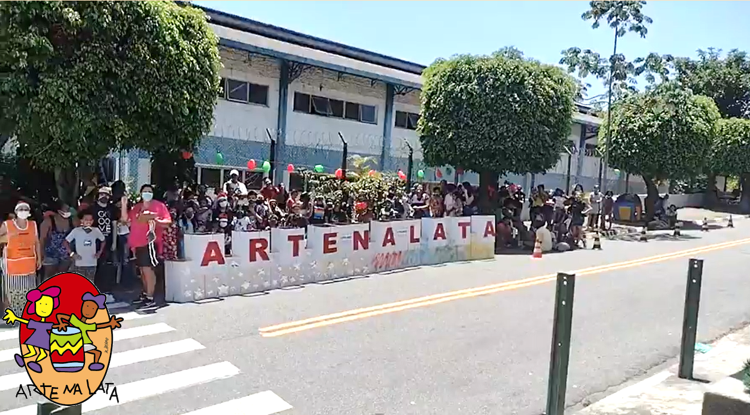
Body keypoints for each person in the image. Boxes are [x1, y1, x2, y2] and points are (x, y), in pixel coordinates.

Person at [3, 286, 66, 373]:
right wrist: (16, 318)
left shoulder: (47, 323)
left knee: (42, 352)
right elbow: (27, 322)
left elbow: (53, 326)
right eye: (40, 304)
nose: (43, 307)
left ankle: (36, 363)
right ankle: (24, 359)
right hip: (35, 336)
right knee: (31, 348)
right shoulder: (37, 322)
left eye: (46, 304)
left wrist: (60, 326)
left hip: (43, 338)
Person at [127, 184, 171, 308]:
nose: (147, 193)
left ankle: (150, 297)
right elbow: (128, 220)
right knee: (142, 270)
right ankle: (145, 293)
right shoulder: (137, 207)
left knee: (148, 269)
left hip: (150, 242)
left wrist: (155, 220)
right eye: (145, 191)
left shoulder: (159, 206)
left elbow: (167, 222)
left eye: (149, 191)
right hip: (137, 243)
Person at [54, 292, 123, 371]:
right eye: (87, 306)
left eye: (93, 309)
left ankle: (94, 364)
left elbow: (98, 326)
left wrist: (109, 324)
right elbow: (60, 316)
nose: (89, 310)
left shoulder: (85, 324)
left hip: (84, 342)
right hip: (75, 342)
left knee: (96, 352)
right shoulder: (75, 320)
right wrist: (61, 324)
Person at [0, 202, 42, 316]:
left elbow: (37, 242)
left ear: (29, 212)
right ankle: (10, 315)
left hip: (29, 263)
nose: (23, 211)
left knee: (29, 290)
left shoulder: (33, 224)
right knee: (11, 291)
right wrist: (7, 237)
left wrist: (39, 258)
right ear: (16, 211)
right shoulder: (7, 224)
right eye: (21, 209)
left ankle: (26, 314)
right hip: (12, 264)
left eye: (25, 209)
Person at [64, 210, 106, 282]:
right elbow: (65, 242)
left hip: (92, 262)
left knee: (90, 282)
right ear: (82, 220)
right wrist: (72, 254)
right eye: (86, 219)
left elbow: (103, 240)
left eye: (90, 220)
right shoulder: (76, 231)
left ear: (93, 221)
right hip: (79, 262)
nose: (88, 221)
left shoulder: (96, 230)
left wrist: (99, 252)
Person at [40, 201, 73, 279]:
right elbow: (42, 239)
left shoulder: (72, 220)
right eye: (65, 209)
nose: (67, 211)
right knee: (49, 277)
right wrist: (41, 254)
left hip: (66, 255)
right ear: (59, 210)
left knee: (62, 277)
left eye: (68, 209)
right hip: (50, 254)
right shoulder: (48, 221)